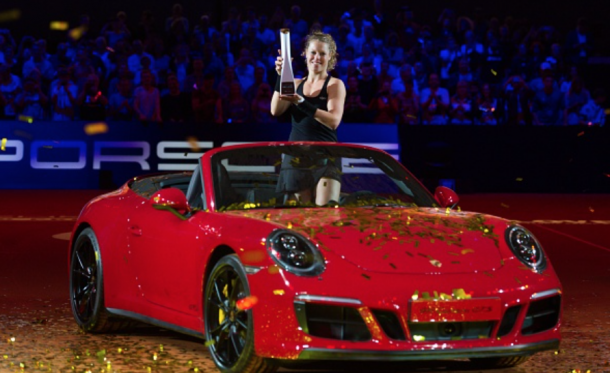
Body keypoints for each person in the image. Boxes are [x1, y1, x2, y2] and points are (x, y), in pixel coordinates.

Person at [271, 31, 346, 206]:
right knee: (300, 217)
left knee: (325, 215)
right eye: (313, 52)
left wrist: (301, 102)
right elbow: (275, 110)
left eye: (322, 53)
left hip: (326, 157)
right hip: (297, 157)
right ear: (305, 54)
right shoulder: (295, 84)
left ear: (330, 57)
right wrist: (281, 75)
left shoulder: (335, 84)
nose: (317, 58)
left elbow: (334, 121)